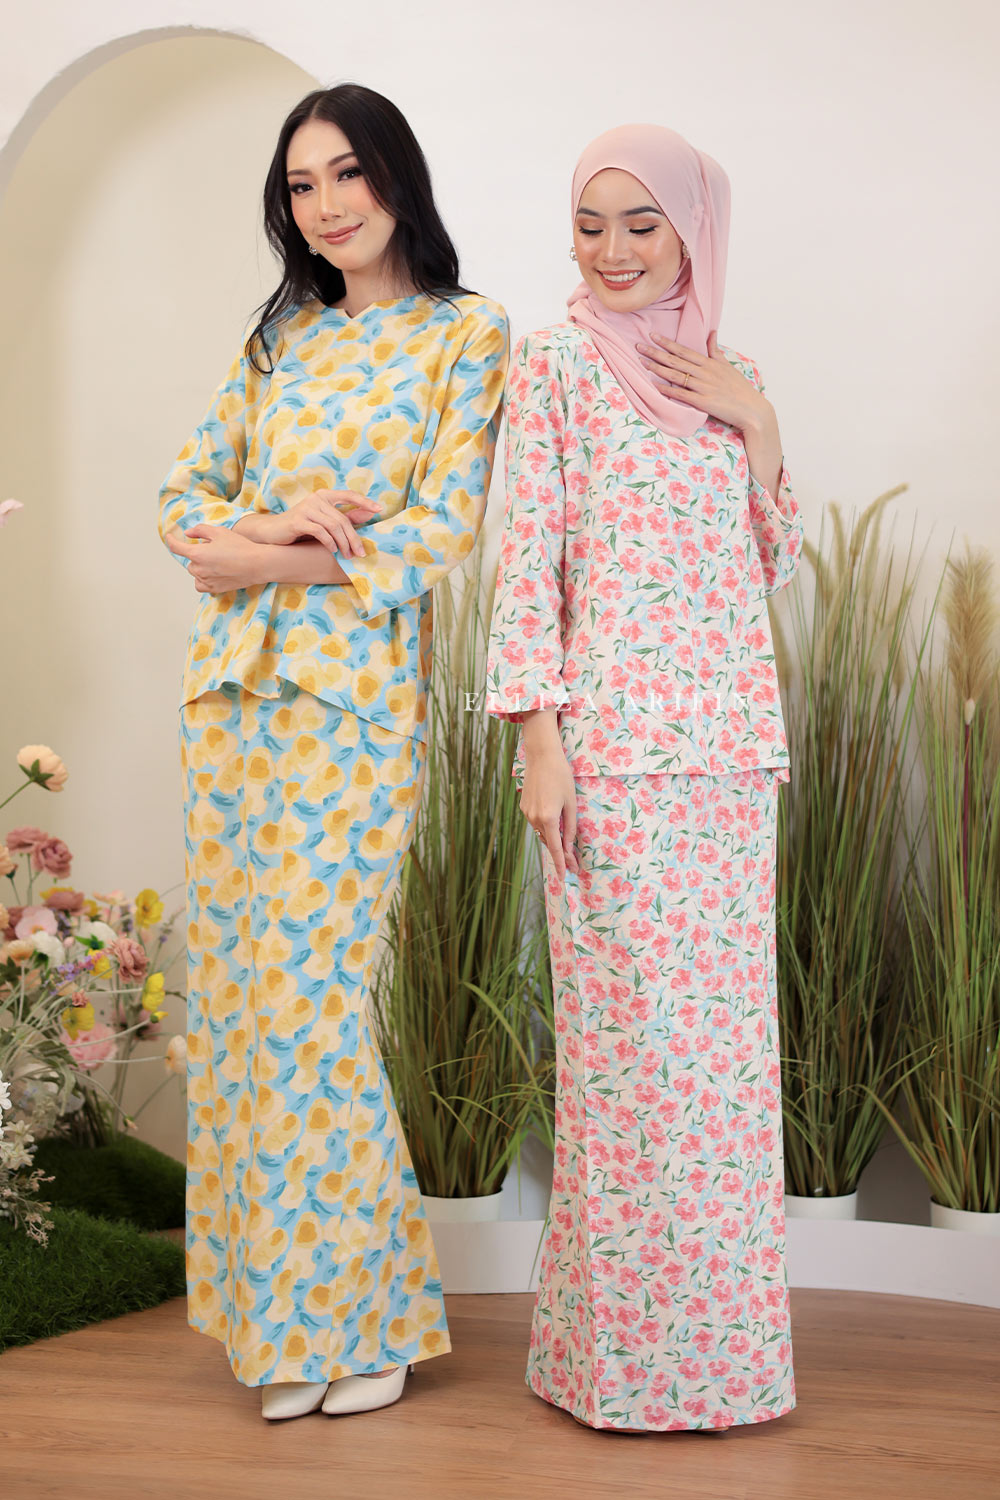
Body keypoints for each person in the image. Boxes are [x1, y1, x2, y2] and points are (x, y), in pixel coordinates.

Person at [158, 83, 509, 1423]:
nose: (327, 205)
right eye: (301, 186)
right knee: (243, 1013)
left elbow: (438, 531)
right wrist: (268, 530)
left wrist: (266, 557)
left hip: (354, 710)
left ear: (396, 177)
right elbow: (183, 507)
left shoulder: (467, 334)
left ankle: (367, 1321)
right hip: (230, 704)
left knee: (319, 1009)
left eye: (347, 173)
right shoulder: (280, 341)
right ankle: (282, 1329)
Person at [484, 124, 802, 1432]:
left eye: (641, 224)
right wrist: (538, 742)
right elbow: (528, 562)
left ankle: (725, 1369)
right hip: (609, 765)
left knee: (722, 1077)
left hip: (728, 761)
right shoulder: (552, 365)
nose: (612, 251)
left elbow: (766, 564)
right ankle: (613, 1370)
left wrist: (757, 423)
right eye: (590, 224)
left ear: (691, 230)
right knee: (627, 1069)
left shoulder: (731, 374)